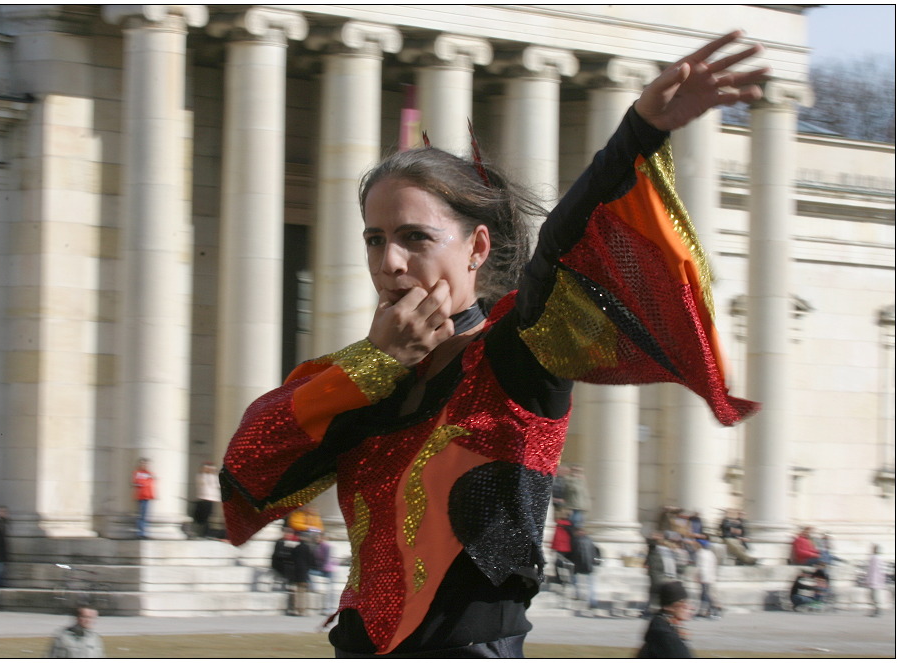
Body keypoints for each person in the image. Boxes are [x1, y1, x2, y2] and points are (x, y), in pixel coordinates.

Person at [221, 32, 764, 657]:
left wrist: (637, 133)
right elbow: (246, 468)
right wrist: (374, 365)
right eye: (374, 239)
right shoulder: (357, 381)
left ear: (477, 248)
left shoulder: (515, 356)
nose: (390, 262)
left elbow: (567, 244)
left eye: (416, 238)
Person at [637, 581, 694, 658]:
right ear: (669, 607)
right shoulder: (666, 637)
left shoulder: (663, 627)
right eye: (683, 603)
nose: (690, 608)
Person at [567, 527, 600, 611]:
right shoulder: (590, 541)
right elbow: (596, 552)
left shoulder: (575, 541)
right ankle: (592, 602)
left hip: (578, 565)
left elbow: (572, 553)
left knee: (575, 581)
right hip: (589, 565)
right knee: (591, 585)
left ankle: (577, 595)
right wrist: (595, 562)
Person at [193, 461, 221, 538]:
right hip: (203, 498)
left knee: (207, 516)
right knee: (201, 517)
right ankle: (202, 532)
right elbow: (203, 483)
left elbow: (217, 485)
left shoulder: (213, 477)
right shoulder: (201, 476)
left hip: (210, 499)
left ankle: (206, 532)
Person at [694, 539, 720, 619]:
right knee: (706, 594)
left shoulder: (700, 553)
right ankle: (710, 610)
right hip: (710, 577)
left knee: (704, 595)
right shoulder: (711, 553)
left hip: (704, 577)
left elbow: (702, 567)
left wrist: (700, 577)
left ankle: (709, 610)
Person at [132, 458, 156, 540]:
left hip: (147, 496)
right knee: (142, 516)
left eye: (146, 464)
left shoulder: (149, 473)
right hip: (141, 496)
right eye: (143, 463)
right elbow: (138, 483)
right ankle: (141, 533)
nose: (144, 465)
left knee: (145, 516)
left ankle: (144, 532)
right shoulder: (138, 473)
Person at [862, 544, 886, 617]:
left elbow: (872, 570)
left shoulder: (874, 558)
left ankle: (877, 611)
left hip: (874, 580)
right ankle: (876, 610)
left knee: (874, 596)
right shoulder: (878, 558)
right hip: (875, 580)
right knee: (873, 596)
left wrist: (868, 580)